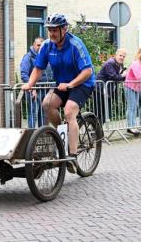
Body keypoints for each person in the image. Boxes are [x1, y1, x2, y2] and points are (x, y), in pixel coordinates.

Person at [21, 14, 95, 173]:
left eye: (55, 30)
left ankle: (73, 156)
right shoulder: (47, 46)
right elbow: (38, 68)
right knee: (47, 104)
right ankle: (63, 132)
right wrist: (30, 84)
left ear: (64, 29)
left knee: (69, 111)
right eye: (49, 30)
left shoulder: (76, 44)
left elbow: (88, 71)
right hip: (61, 85)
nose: (52, 34)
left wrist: (71, 84)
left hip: (82, 83)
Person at [20, 37, 52, 128]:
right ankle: (31, 137)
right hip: (34, 91)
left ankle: (41, 135)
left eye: (41, 46)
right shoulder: (28, 57)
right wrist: (32, 88)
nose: (39, 47)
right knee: (33, 114)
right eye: (38, 45)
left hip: (45, 90)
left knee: (43, 115)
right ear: (33, 45)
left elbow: (50, 74)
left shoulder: (45, 57)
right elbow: (24, 75)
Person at [95, 48, 127, 124]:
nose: (122, 57)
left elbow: (118, 79)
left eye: (124, 56)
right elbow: (114, 77)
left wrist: (124, 75)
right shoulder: (110, 63)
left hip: (107, 92)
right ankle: (94, 131)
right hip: (99, 90)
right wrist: (123, 75)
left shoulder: (119, 64)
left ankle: (98, 132)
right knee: (100, 113)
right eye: (120, 55)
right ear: (116, 55)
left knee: (106, 114)